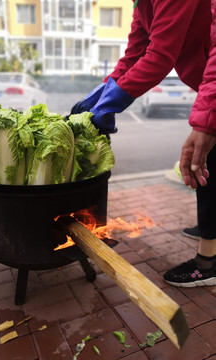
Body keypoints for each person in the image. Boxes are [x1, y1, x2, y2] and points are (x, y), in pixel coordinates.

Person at [71, 0, 216, 287]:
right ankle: (210, 228)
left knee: (205, 164)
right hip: (206, 83)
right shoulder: (142, 3)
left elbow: (160, 55)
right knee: (208, 164)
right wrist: (105, 88)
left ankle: (208, 262)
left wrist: (116, 99)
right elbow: (136, 52)